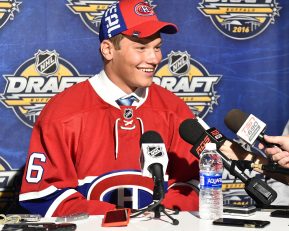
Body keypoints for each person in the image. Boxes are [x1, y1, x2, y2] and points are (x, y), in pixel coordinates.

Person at [18, 0, 199, 217]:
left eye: (157, 47)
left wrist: (159, 214)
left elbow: (194, 184)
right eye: (141, 47)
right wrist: (121, 217)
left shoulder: (173, 108)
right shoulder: (63, 112)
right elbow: (42, 196)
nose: (154, 58)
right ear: (108, 50)